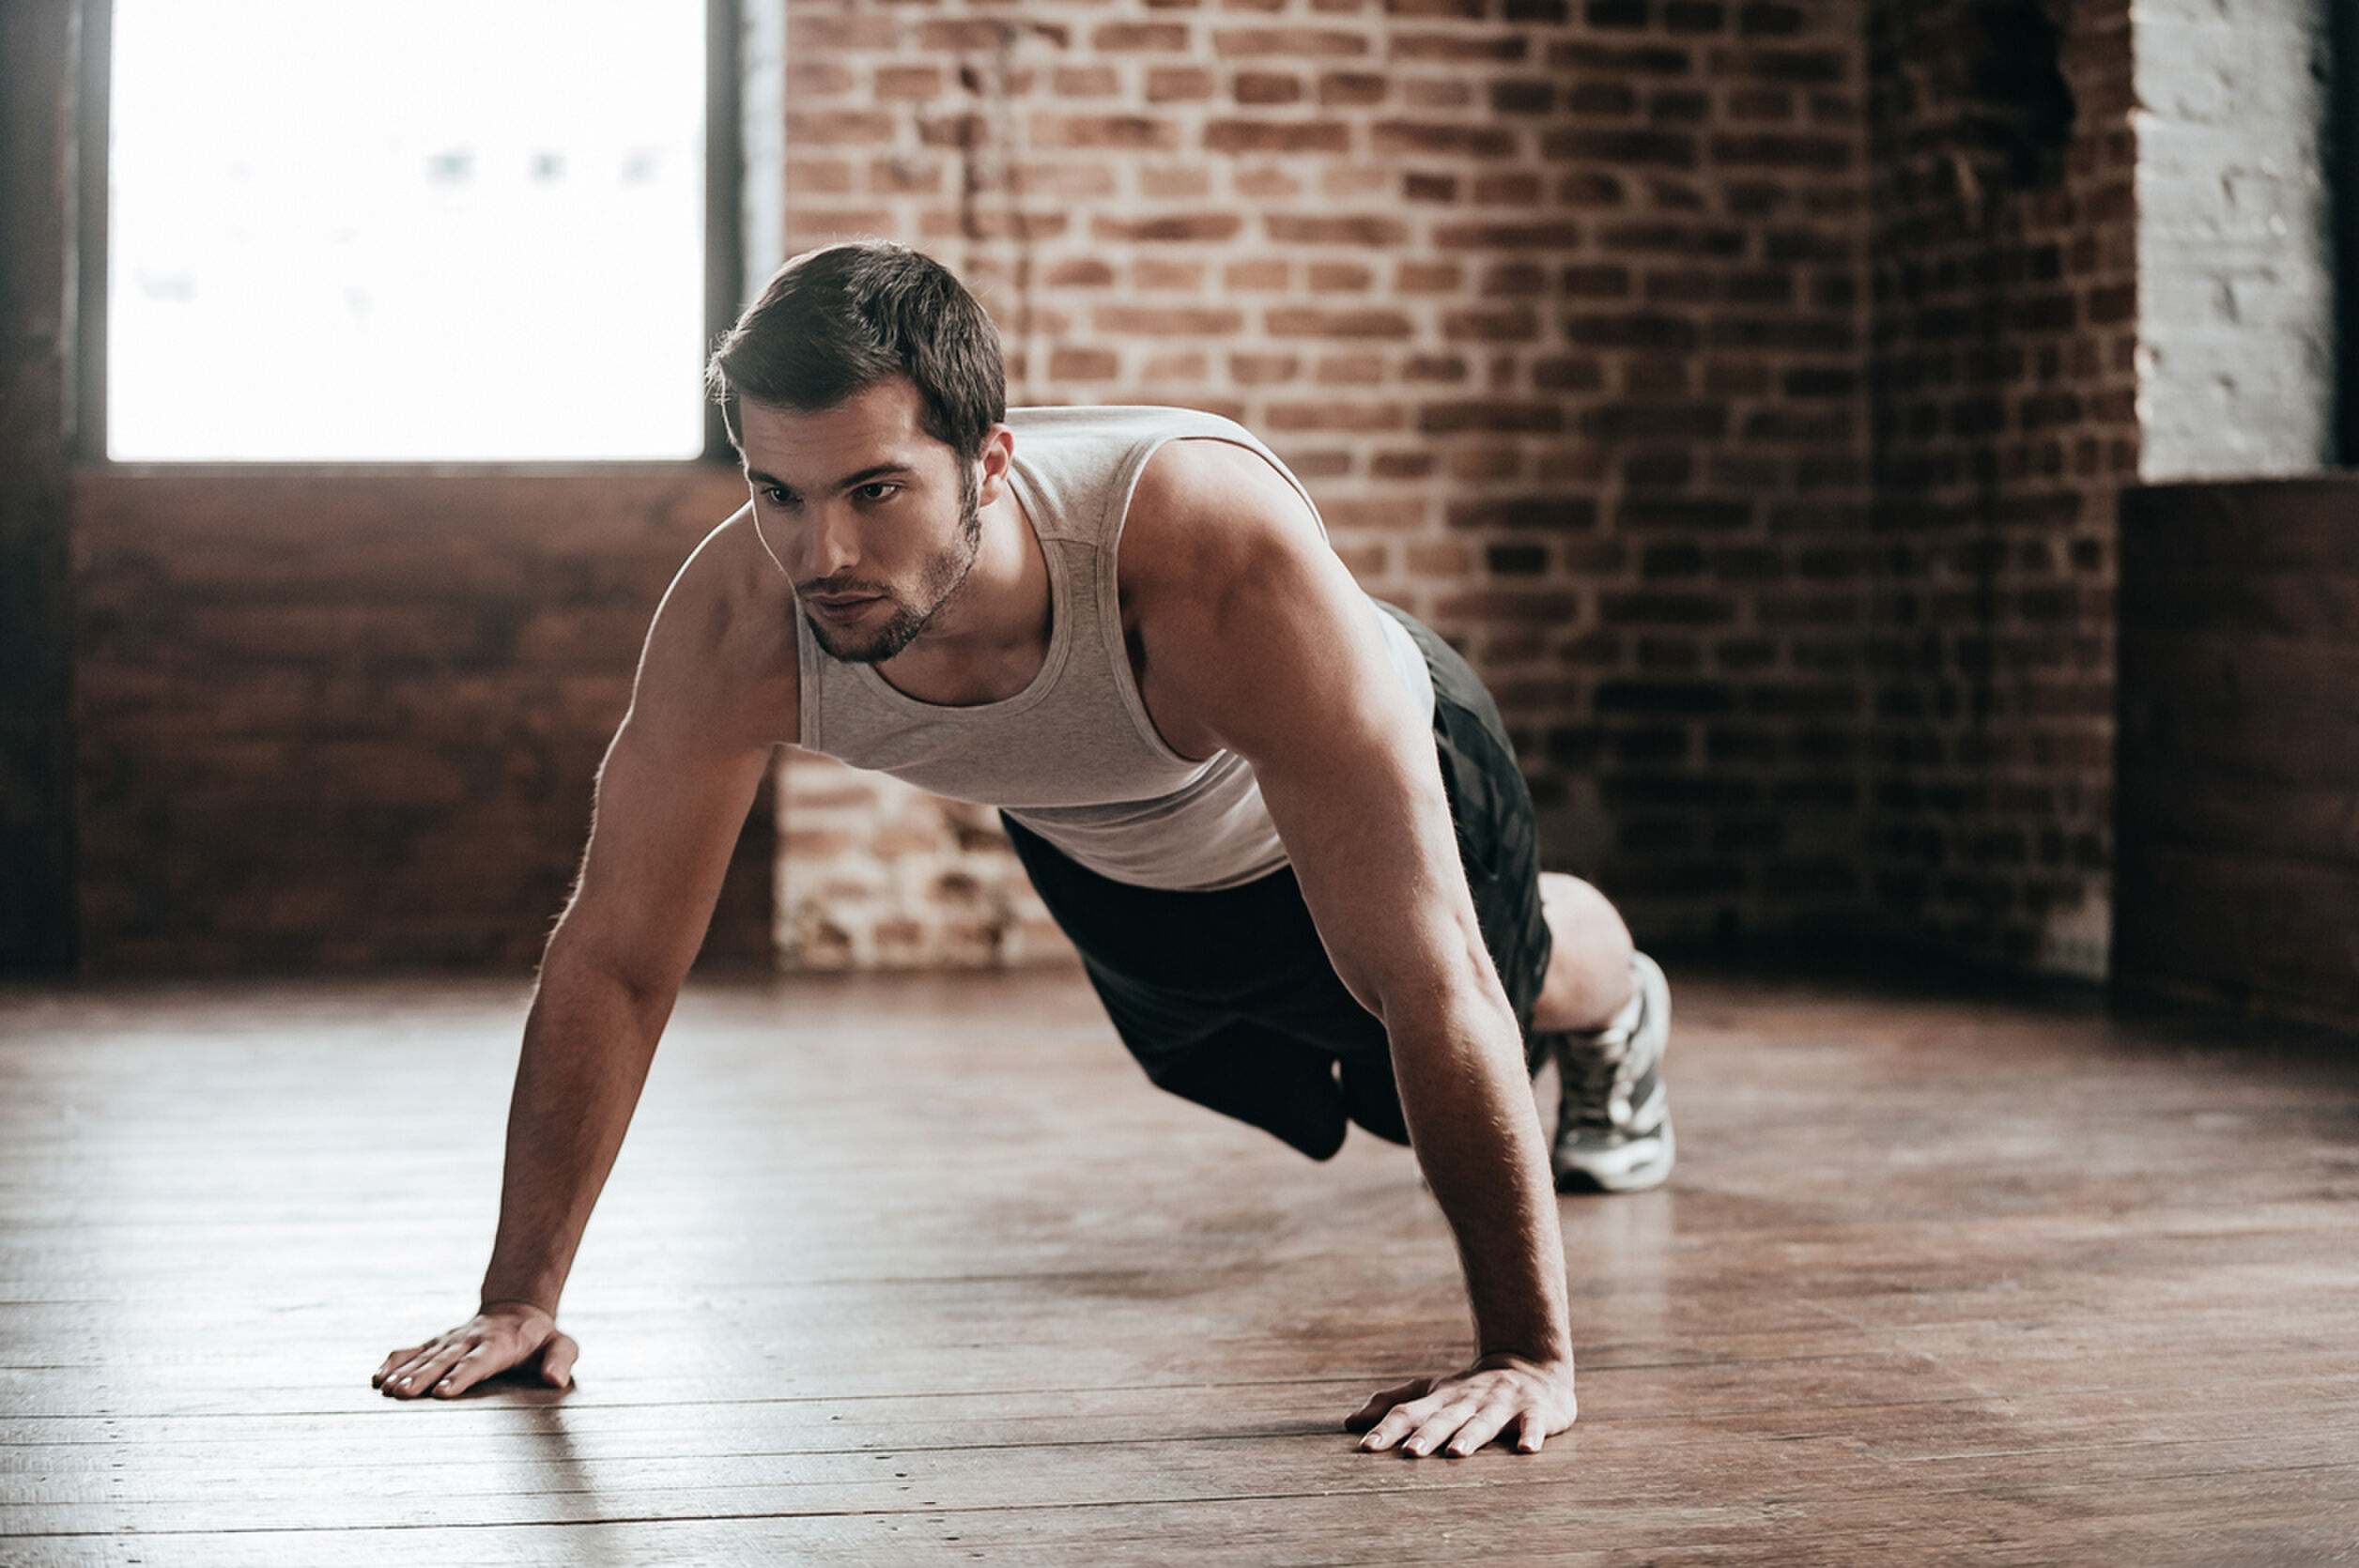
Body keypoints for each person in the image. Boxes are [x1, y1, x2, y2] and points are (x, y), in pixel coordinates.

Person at [373, 241, 1673, 1459]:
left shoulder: (1207, 551)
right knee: (1311, 1088)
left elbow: (1434, 968)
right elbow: (616, 955)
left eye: (874, 489)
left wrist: (1528, 1355)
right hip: (1116, 845)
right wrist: (516, 1298)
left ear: (989, 465)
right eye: (780, 492)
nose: (821, 554)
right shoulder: (739, 623)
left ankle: (1619, 1001)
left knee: (1476, 999)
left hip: (1359, 769)